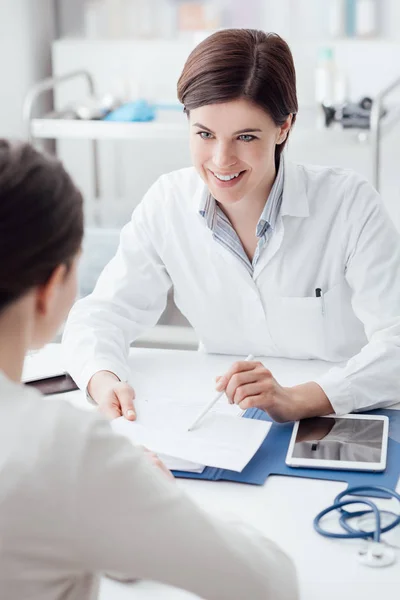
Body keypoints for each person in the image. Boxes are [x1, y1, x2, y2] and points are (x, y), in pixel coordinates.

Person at [0, 139, 298, 599]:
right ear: (51, 286)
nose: (222, 157)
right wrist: (142, 495)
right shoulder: (65, 452)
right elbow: (269, 582)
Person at [63, 29, 400, 423]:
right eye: (204, 134)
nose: (222, 160)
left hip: (340, 417)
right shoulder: (166, 203)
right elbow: (101, 315)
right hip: (220, 421)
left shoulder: (348, 204)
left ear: (284, 127)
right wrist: (103, 379)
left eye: (245, 136)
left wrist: (302, 399)